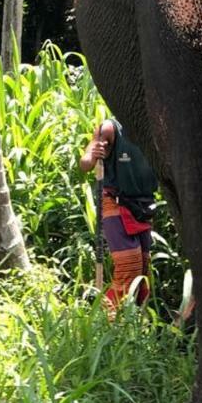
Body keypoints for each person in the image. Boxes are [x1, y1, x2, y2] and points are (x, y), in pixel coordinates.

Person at [80, 118, 158, 309]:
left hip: (144, 207)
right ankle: (109, 319)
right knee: (129, 266)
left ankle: (136, 321)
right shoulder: (111, 128)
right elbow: (85, 162)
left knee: (143, 269)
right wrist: (93, 154)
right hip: (117, 204)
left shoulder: (156, 127)